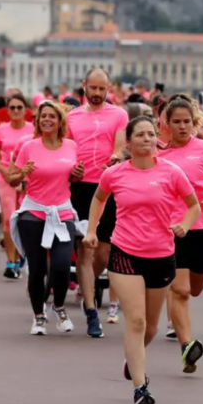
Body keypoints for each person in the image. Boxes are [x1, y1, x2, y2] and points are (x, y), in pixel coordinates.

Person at [85, 115, 199, 404]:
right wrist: (91, 230)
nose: (147, 139)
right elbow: (98, 199)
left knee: (150, 328)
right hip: (125, 253)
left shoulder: (171, 172)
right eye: (141, 135)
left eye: (151, 134)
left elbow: (193, 206)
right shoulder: (115, 174)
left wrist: (185, 225)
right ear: (129, 142)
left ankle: (132, 359)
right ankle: (140, 387)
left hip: (161, 255)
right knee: (135, 321)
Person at [157, 96, 203, 372]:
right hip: (171, 230)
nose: (182, 126)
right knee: (181, 291)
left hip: (201, 228)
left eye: (186, 121)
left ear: (194, 122)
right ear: (166, 123)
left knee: (195, 289)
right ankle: (187, 347)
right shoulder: (157, 154)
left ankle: (184, 337)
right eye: (176, 121)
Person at [7, 101, 83, 333]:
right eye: (43, 116)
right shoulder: (28, 146)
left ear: (60, 121)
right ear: (38, 121)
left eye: (52, 116)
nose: (47, 119)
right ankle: (38, 316)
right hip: (33, 212)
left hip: (62, 212)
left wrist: (78, 175)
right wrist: (22, 173)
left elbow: (73, 177)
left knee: (61, 265)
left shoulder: (71, 146)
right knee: (37, 268)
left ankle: (59, 307)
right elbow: (12, 179)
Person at [67, 68, 129, 338]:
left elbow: (119, 146)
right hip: (80, 187)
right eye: (92, 88)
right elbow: (67, 149)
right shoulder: (71, 117)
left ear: (108, 89)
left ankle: (87, 284)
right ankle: (92, 311)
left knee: (103, 253)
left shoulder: (119, 114)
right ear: (84, 85)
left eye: (102, 89)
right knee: (85, 249)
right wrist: (73, 169)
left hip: (108, 186)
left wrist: (115, 158)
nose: (96, 93)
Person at [0, 92, 35, 279]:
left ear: (25, 110)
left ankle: (21, 254)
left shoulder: (33, 129)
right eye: (12, 108)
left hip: (28, 179)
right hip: (6, 178)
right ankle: (11, 262)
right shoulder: (1, 129)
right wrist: (2, 169)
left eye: (19, 107)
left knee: (24, 218)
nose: (16, 111)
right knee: (9, 218)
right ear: (7, 111)